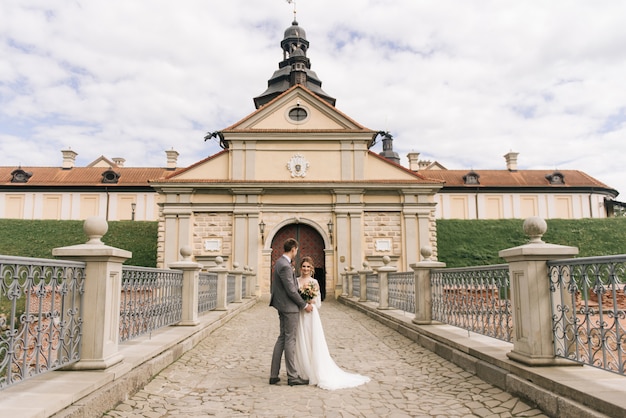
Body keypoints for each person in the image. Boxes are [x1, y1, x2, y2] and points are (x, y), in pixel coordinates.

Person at [294, 256, 370, 390]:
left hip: (311, 315)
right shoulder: (296, 281)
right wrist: (302, 303)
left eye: (308, 267)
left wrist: (310, 301)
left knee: (312, 341)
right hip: (300, 314)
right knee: (302, 341)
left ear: (311, 269)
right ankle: (303, 371)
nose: (305, 269)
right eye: (303, 266)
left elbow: (318, 302)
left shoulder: (314, 282)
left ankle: (315, 371)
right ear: (300, 268)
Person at [269, 238, 313, 386]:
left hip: (282, 306)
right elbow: (291, 290)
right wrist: (304, 305)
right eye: (296, 251)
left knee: (282, 338)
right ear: (293, 249)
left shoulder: (280, 263)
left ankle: (274, 375)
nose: (296, 253)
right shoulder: (285, 266)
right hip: (289, 308)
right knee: (289, 340)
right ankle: (292, 377)